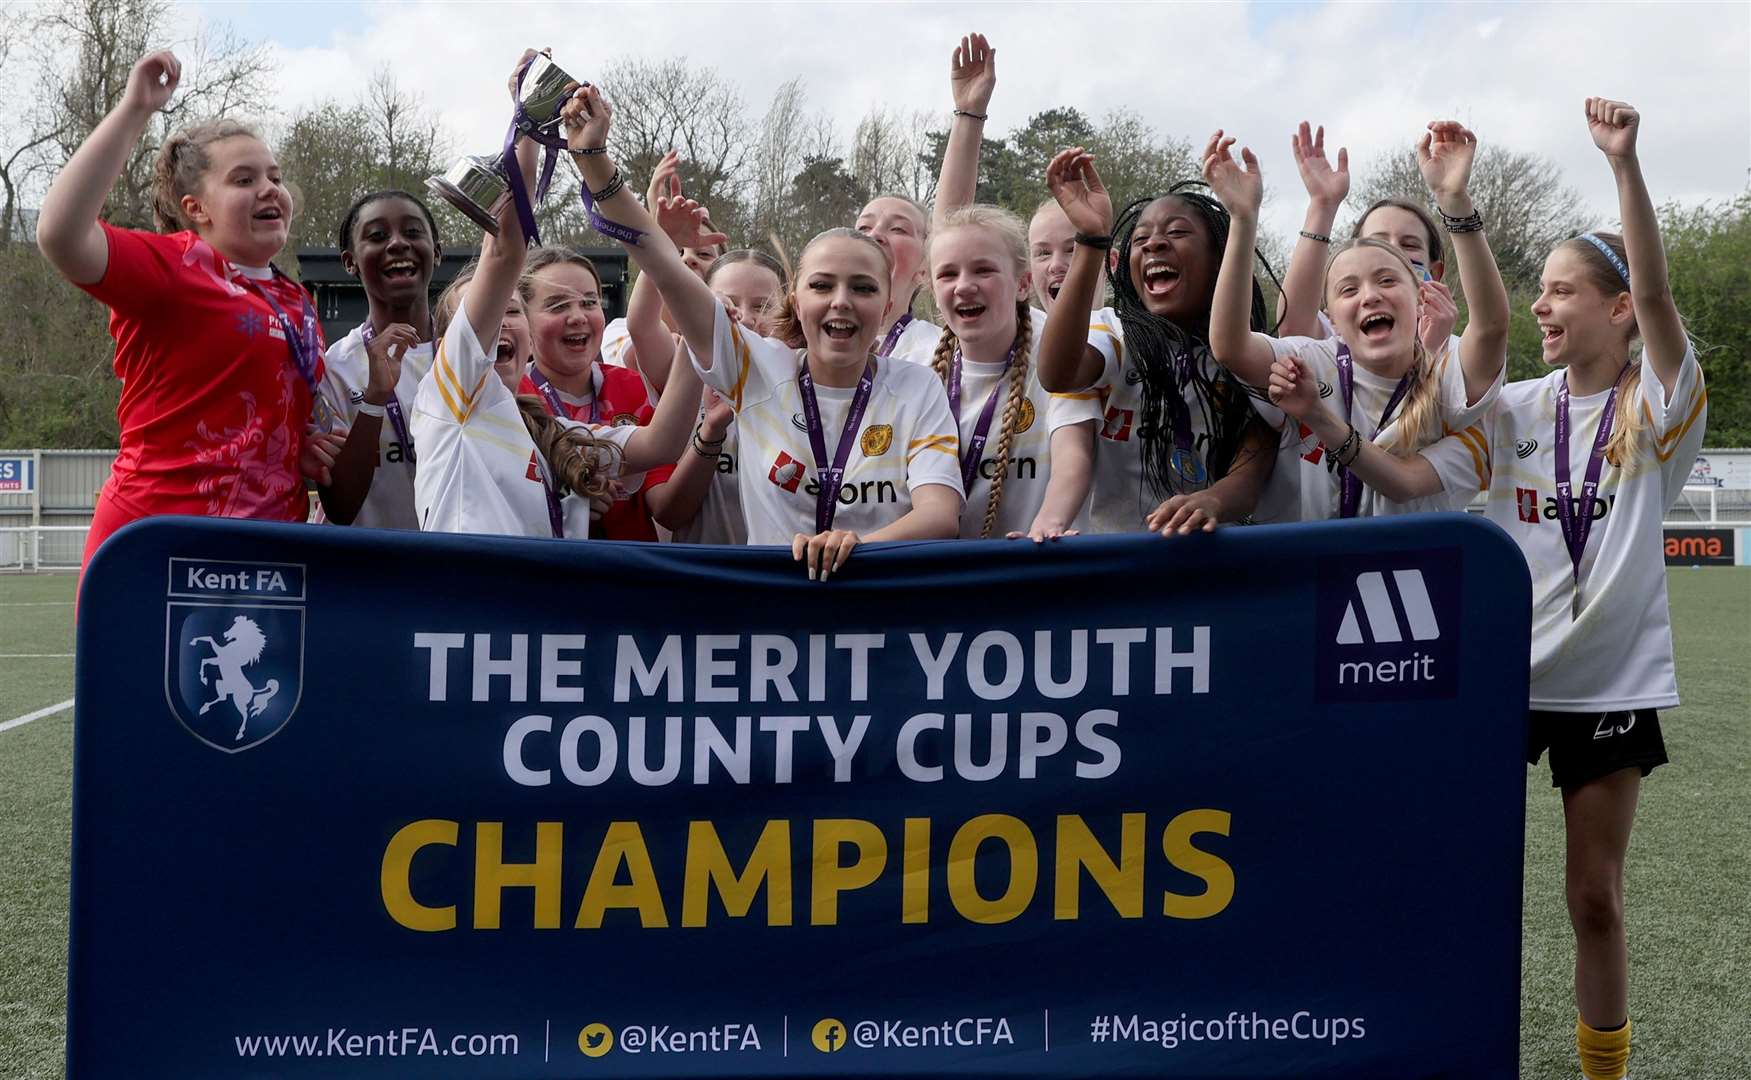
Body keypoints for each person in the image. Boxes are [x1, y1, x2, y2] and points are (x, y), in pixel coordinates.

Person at [1268, 99, 1705, 1080]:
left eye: (1560, 293)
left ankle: (1604, 1074)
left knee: (1592, 898)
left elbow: (1664, 295)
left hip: (1607, 684)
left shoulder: (1662, 403)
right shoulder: (1511, 410)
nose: (1540, 309)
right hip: (1494, 680)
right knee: (1431, 872)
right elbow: (1413, 484)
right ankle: (1404, 1044)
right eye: (1538, 293)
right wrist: (1338, 434)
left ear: (1615, 306)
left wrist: (1623, 168)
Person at [561, 83, 962, 579]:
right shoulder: (756, 366)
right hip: (773, 629)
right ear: (796, 302)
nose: (841, 300)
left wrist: (856, 545)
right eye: (822, 285)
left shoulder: (916, 386)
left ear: (886, 310)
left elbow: (940, 514)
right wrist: (594, 161)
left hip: (877, 625)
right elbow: (660, 262)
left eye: (862, 287)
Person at [35, 51, 343, 570]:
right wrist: (135, 110)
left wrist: (299, 454)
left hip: (269, 553)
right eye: (244, 180)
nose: (270, 188)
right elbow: (60, 234)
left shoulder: (298, 301)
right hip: (161, 543)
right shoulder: (174, 267)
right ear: (195, 208)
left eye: (275, 176)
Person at [409, 52, 699, 541]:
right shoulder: (449, 397)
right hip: (466, 608)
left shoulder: (551, 431)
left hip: (538, 616)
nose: (501, 324)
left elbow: (664, 442)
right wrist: (527, 126)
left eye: (513, 312)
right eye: (483, 319)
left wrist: (700, 329)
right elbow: (504, 253)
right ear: (448, 349)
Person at [1203, 122, 1507, 519]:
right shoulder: (1319, 359)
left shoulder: (1454, 364)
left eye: (1390, 273)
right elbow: (1236, 344)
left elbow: (1491, 327)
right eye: (1349, 288)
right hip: (1318, 571)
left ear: (1427, 281)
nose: (1370, 294)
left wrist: (1454, 201)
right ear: (1328, 313)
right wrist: (1243, 220)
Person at [1036, 149, 1279, 535]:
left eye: (1178, 232)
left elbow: (1251, 475)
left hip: (1215, 567)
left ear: (1220, 258)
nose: (1154, 244)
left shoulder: (1250, 354)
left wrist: (1213, 500)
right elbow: (1056, 373)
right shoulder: (1115, 333)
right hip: (1121, 572)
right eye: (1141, 239)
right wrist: (1091, 241)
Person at [926, 205, 1098, 539]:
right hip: (944, 576)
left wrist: (1050, 521)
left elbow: (1073, 455)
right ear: (933, 292)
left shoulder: (1057, 358)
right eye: (948, 274)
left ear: (1023, 284)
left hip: (1036, 564)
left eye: (983, 270)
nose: (964, 286)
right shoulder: (920, 372)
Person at [852, 32, 995, 365]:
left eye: (899, 229)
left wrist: (969, 115)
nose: (875, 235)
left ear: (924, 270)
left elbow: (950, 231)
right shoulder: (805, 342)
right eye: (863, 227)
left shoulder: (931, 350)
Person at [516, 245, 674, 540]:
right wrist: (565, 501)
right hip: (542, 574)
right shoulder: (510, 396)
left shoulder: (634, 388)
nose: (578, 316)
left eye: (590, 302)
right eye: (558, 306)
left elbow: (667, 508)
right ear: (521, 318)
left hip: (634, 573)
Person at [315, 189, 444, 528]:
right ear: (350, 261)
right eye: (377, 236)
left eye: (413, 232)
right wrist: (373, 401)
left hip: (453, 567)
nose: (398, 243)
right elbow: (340, 508)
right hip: (366, 571)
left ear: (437, 253)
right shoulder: (335, 368)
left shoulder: (463, 355)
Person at [647, 249, 788, 545]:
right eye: (729, 304)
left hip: (778, 578)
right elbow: (667, 512)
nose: (747, 319)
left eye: (763, 307)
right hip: (702, 582)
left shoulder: (804, 394)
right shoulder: (683, 391)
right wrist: (712, 430)